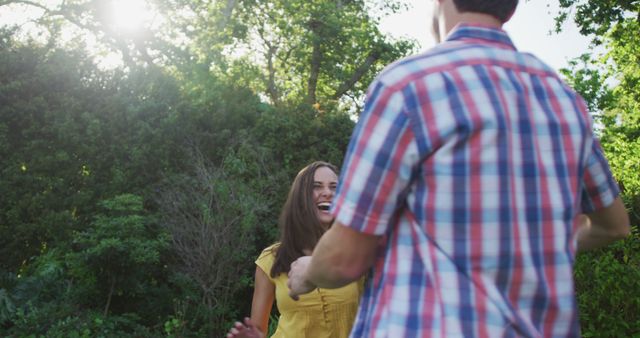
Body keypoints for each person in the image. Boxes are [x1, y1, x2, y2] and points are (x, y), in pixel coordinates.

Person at [287, 1, 631, 337]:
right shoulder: (564, 99)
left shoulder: (409, 84)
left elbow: (343, 259)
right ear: (510, 9)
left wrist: (307, 272)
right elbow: (614, 226)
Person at [226, 161, 363, 338]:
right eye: (317, 186)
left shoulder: (357, 253)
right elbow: (258, 330)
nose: (328, 193)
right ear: (301, 197)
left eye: (334, 187)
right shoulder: (270, 259)